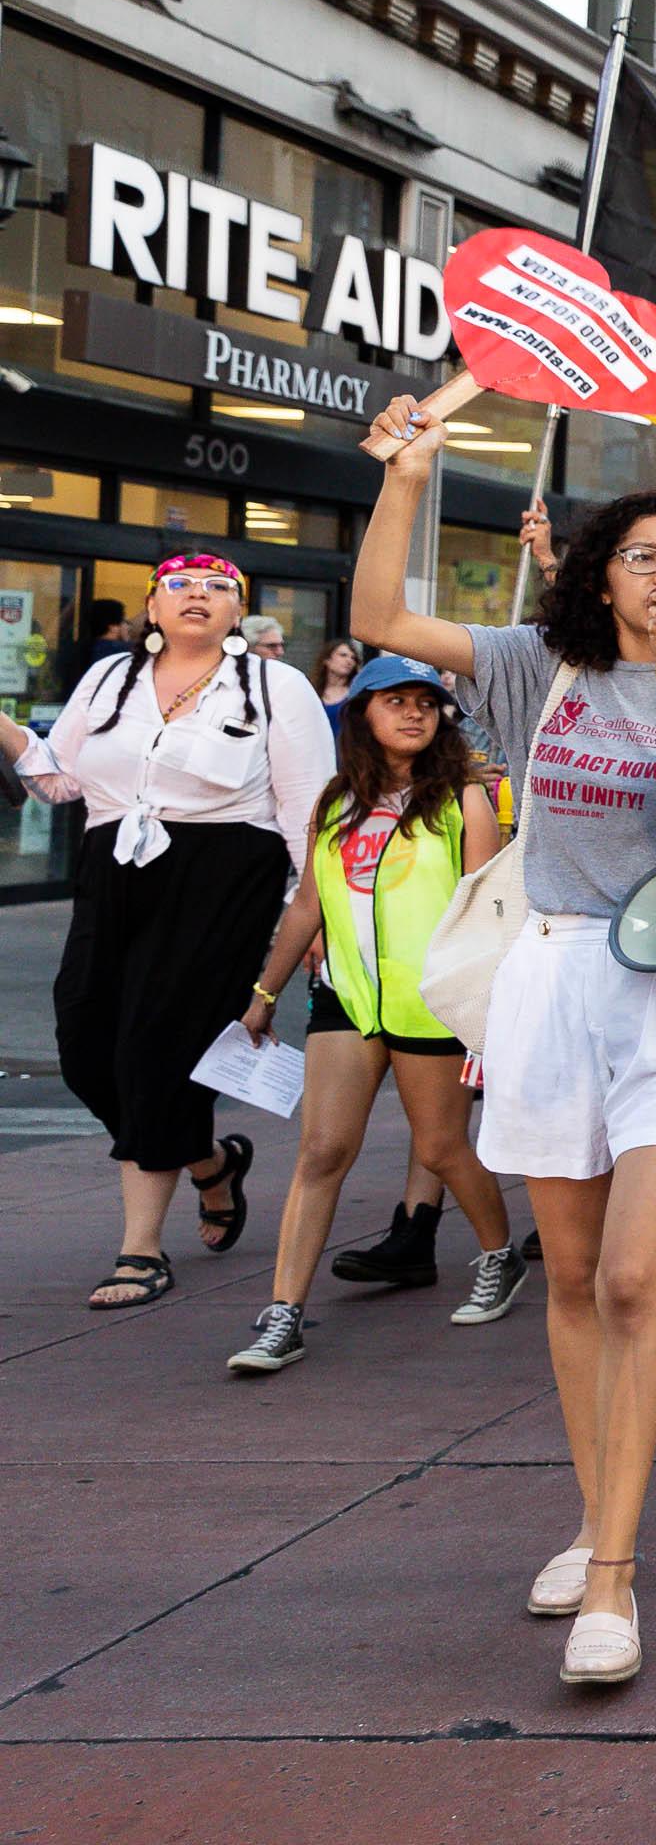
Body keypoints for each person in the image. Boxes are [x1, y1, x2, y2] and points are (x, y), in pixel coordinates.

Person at [352, 396, 656, 1690]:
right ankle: (603, 1519)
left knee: (633, 1279)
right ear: (599, 570)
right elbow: (381, 620)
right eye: (650, 556)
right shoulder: (528, 666)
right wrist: (407, 477)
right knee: (569, 1273)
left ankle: (614, 1577)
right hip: (550, 976)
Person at [5, 553, 334, 1314]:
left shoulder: (273, 687)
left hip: (223, 878)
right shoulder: (109, 679)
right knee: (85, 1043)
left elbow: (307, 814)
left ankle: (141, 1248)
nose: (198, 597)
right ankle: (210, 1163)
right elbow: (58, 780)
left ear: (237, 615)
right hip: (113, 870)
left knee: (153, 1046)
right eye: (180, 586)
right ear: (152, 606)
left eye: (219, 588)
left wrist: (311, 916)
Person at [224, 655, 517, 1373]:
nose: (413, 713)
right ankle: (283, 1315)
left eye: (425, 702)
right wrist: (264, 995)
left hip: (434, 1003)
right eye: (394, 701)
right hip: (345, 1001)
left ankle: (499, 1255)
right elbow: (306, 904)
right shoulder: (334, 801)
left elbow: (494, 907)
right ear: (361, 713)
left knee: (443, 1149)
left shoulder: (462, 801)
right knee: (322, 1150)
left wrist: (493, 1006)